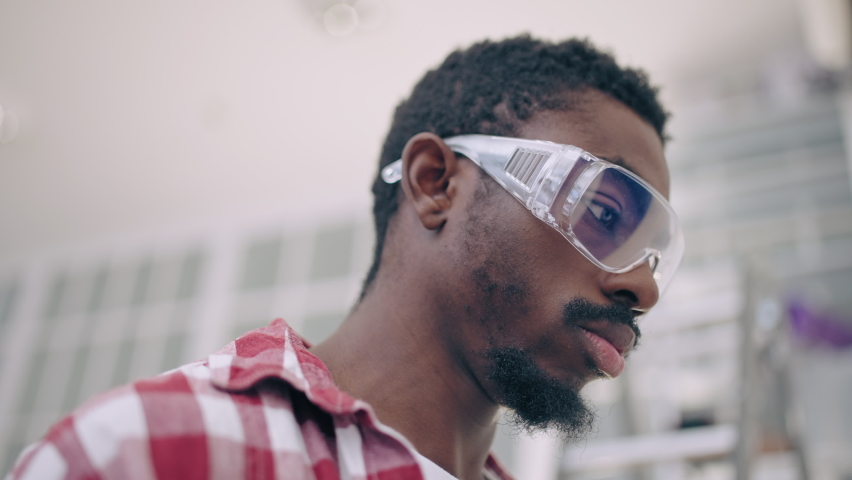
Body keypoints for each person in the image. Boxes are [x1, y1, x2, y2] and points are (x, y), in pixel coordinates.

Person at [9, 35, 681, 480]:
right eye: (603, 212)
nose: (644, 288)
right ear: (435, 184)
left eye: (655, 255)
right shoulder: (150, 451)